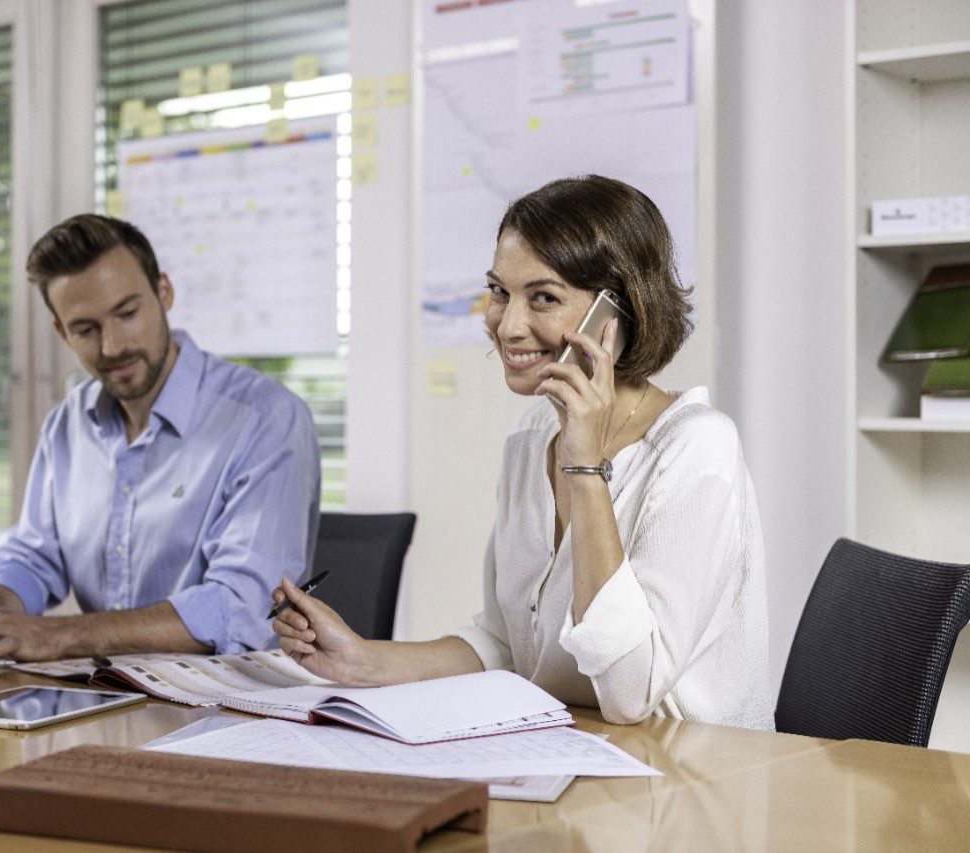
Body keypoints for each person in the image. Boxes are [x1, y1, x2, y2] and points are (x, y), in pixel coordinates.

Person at [273, 175, 774, 729]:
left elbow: (630, 693)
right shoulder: (533, 434)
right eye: (500, 292)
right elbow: (507, 645)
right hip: (581, 756)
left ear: (616, 315)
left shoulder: (696, 447)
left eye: (544, 298)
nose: (508, 325)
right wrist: (363, 661)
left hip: (696, 779)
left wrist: (585, 471)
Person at [0, 214, 321, 662]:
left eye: (127, 313)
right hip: (105, 697)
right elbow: (33, 560)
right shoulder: (66, 426)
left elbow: (243, 607)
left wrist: (57, 635)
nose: (112, 347)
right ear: (61, 331)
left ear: (163, 292)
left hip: (229, 711)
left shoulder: (264, 419)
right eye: (85, 330)